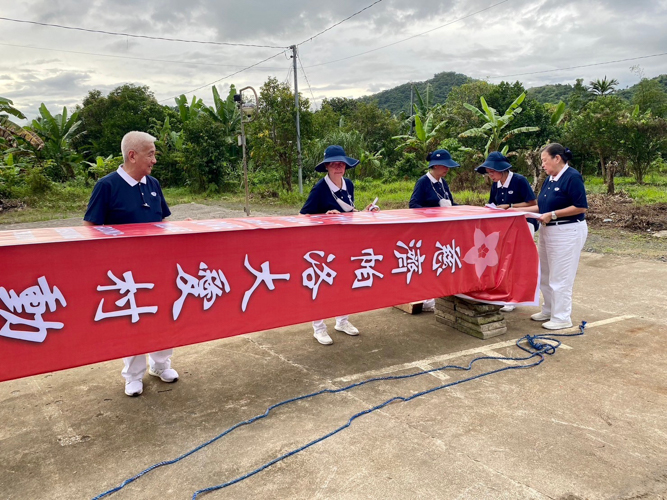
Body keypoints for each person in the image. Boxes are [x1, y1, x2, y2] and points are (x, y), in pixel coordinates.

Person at [84, 131, 179, 396]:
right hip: (124, 274)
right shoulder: (107, 186)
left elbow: (162, 220)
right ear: (132, 155)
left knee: (162, 316)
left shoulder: (153, 184)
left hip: (157, 266)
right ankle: (133, 375)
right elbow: (90, 228)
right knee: (133, 320)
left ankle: (161, 365)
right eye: (151, 154)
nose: (154, 160)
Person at [300, 145, 377, 345]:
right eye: (333, 164)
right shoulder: (319, 188)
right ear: (326, 166)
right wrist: (324, 217)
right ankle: (319, 328)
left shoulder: (348, 184)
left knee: (344, 282)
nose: (338, 167)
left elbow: (349, 211)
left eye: (341, 164)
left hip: (344, 243)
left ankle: (342, 321)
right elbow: (302, 216)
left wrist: (365, 211)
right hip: (322, 248)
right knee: (321, 285)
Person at [518, 143, 588, 330]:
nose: (543, 165)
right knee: (546, 273)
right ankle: (549, 309)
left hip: (567, 231)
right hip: (548, 230)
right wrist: (515, 211)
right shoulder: (550, 179)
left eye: (544, 160)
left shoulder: (572, 177)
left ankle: (562, 316)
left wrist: (554, 214)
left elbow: (581, 206)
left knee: (561, 276)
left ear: (557, 158)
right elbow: (542, 206)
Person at [475, 151, 538, 312]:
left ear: (502, 169)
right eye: (488, 173)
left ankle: (514, 297)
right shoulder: (496, 185)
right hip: (504, 227)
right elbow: (492, 204)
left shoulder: (519, 181)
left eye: (492, 172)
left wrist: (510, 207)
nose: (490, 176)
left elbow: (534, 204)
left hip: (524, 225)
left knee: (517, 261)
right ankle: (503, 293)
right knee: (503, 260)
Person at [409, 149, 460, 311]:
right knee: (429, 262)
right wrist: (434, 210)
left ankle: (436, 295)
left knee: (440, 262)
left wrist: (464, 209)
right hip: (428, 230)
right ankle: (425, 298)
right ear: (436, 165)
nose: (447, 170)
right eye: (445, 166)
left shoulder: (442, 183)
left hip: (444, 230)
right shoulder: (423, 182)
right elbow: (413, 205)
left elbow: (450, 203)